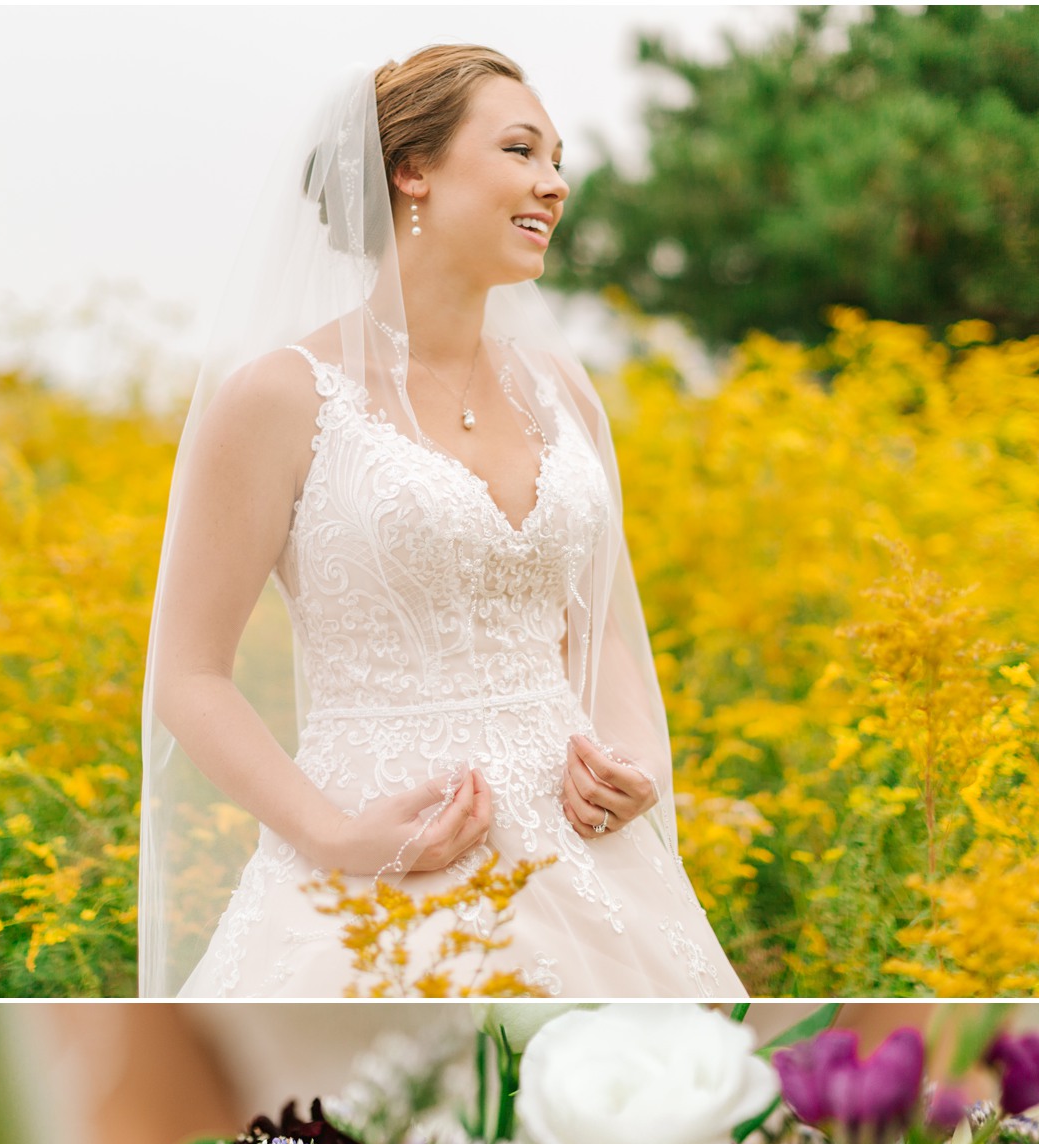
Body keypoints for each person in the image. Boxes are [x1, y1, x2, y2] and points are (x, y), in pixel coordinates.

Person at [139, 45, 746, 1001]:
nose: (554, 184)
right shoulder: (283, 395)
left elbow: (597, 633)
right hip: (381, 852)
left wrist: (632, 768)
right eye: (520, 151)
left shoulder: (563, 391)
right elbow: (188, 675)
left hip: (585, 861)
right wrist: (335, 834)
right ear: (411, 170)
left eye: (556, 160)